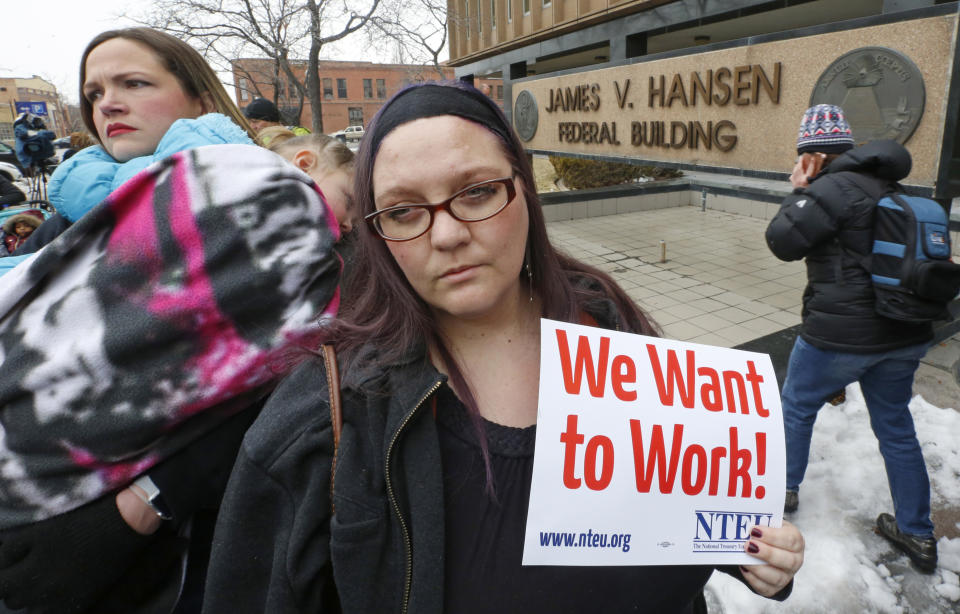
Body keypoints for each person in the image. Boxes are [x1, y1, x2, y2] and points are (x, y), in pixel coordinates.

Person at [203, 82, 805, 613]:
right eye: (405, 209)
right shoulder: (323, 416)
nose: (445, 234)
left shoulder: (612, 329)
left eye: (476, 192)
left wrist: (747, 551)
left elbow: (669, 515)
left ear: (524, 191)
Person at [0, 27, 346, 613]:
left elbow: (299, 375)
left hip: (202, 543)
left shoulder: (266, 210)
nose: (107, 102)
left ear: (200, 100)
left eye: (134, 83)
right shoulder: (66, 229)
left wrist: (146, 502)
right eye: (95, 91)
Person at [765, 104, 936, 572]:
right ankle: (918, 533)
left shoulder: (829, 189)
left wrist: (798, 191)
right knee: (897, 428)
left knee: (797, 405)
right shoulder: (888, 187)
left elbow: (782, 241)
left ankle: (782, 490)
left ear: (813, 154)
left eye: (802, 153)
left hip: (838, 337)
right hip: (902, 336)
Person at [243, 97, 310, 144]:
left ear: (270, 119)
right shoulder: (258, 141)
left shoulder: (299, 134)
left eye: (255, 121)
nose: (252, 127)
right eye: (250, 122)